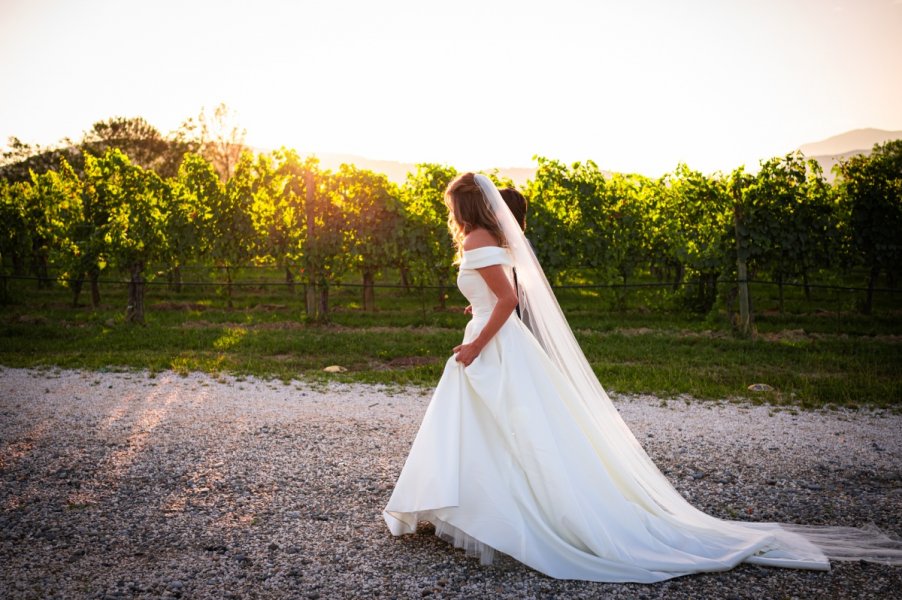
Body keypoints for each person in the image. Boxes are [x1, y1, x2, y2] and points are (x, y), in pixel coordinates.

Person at [382, 172, 902, 582]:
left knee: (499, 428)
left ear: (467, 206)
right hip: (499, 342)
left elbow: (508, 300)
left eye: (453, 204)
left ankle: (498, 512)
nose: (450, 213)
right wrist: (476, 323)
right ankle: (487, 509)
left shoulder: (476, 238)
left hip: (493, 346)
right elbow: (496, 297)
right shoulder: (492, 236)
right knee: (504, 429)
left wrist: (475, 341)